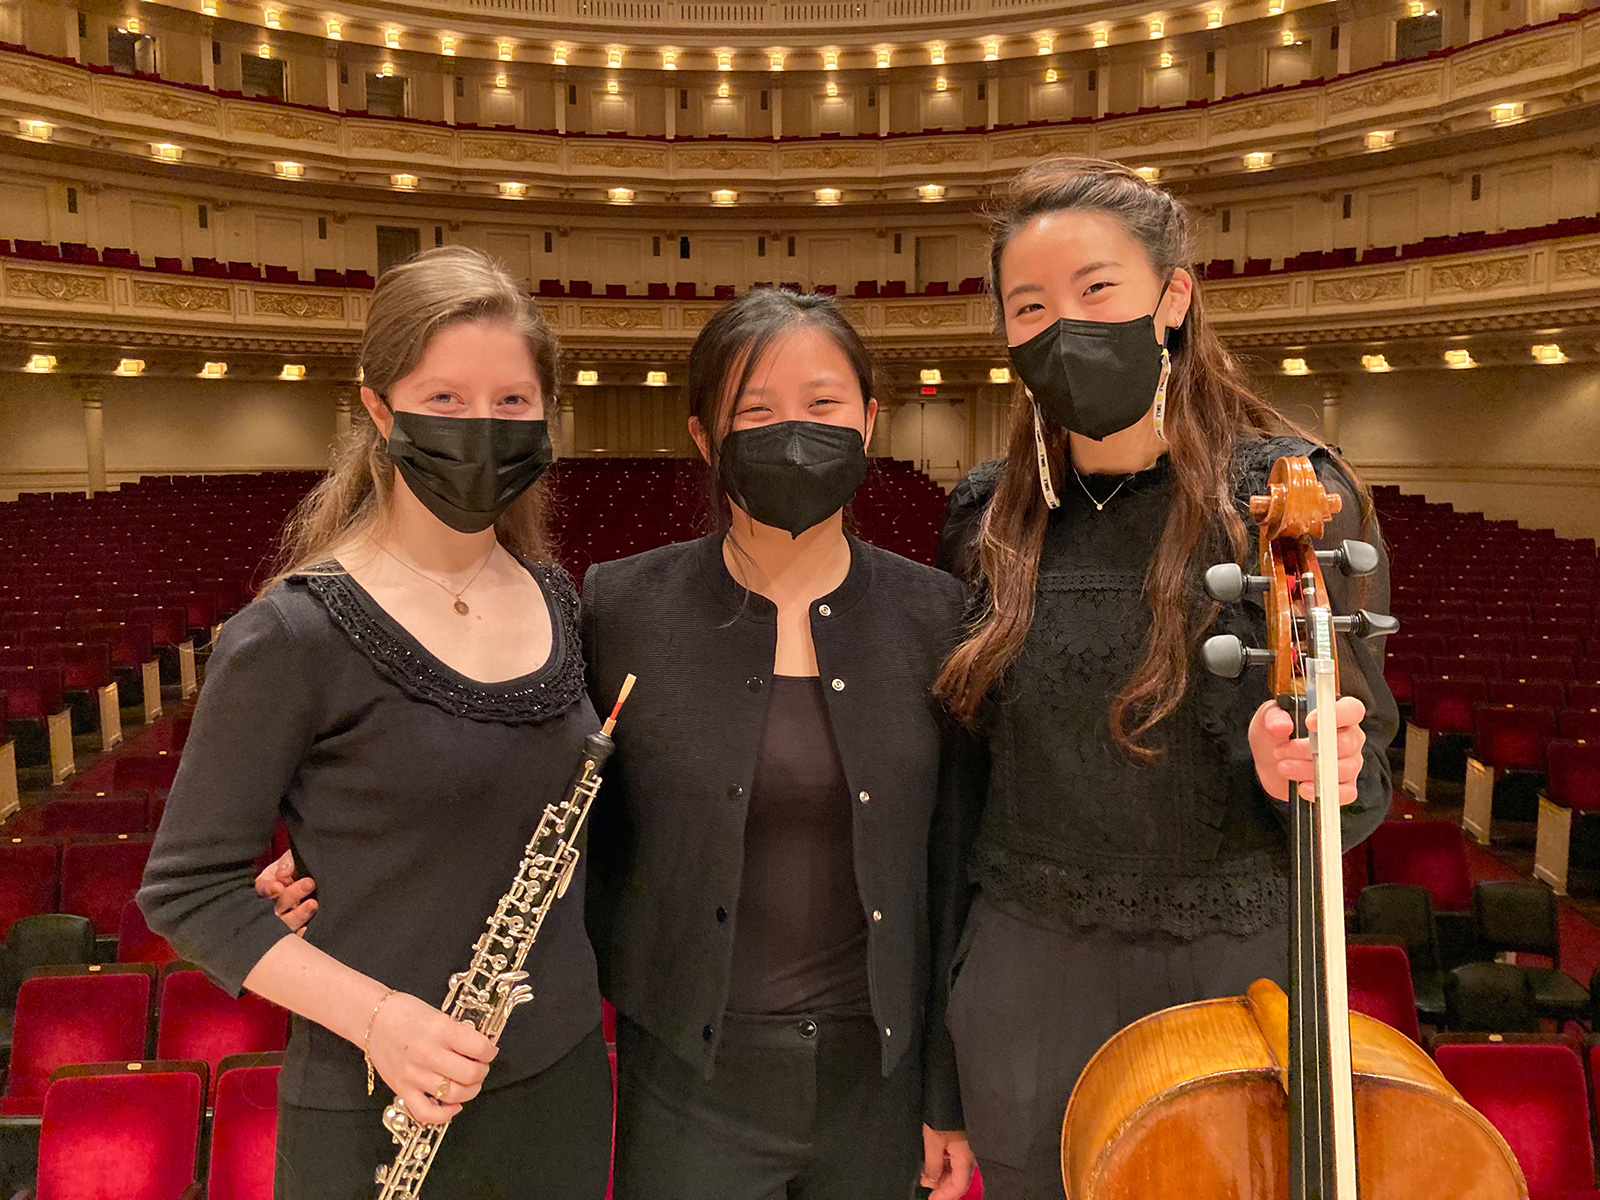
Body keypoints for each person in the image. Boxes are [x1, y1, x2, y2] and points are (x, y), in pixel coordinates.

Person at [932, 157, 1397, 1200]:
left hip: (1224, 972)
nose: (1063, 326)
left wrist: (1305, 771)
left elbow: (1363, 790)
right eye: (1029, 306)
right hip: (1022, 975)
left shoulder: (1286, 495)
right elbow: (960, 784)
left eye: (1096, 291)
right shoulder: (984, 514)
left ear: (1172, 296)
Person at [138, 246, 613, 1200]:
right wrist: (383, 1019)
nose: (482, 426)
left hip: (560, 1084)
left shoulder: (560, 601)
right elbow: (188, 890)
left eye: (513, 403)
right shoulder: (294, 629)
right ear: (381, 410)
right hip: (377, 1094)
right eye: (445, 399)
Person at [580, 288, 983, 1200]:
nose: (790, 431)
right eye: (753, 411)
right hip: (685, 1081)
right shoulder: (619, 609)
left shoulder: (938, 616)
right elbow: (554, 820)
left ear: (870, 422)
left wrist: (944, 1093)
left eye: (822, 404)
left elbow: (955, 865)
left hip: (877, 1088)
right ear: (702, 436)